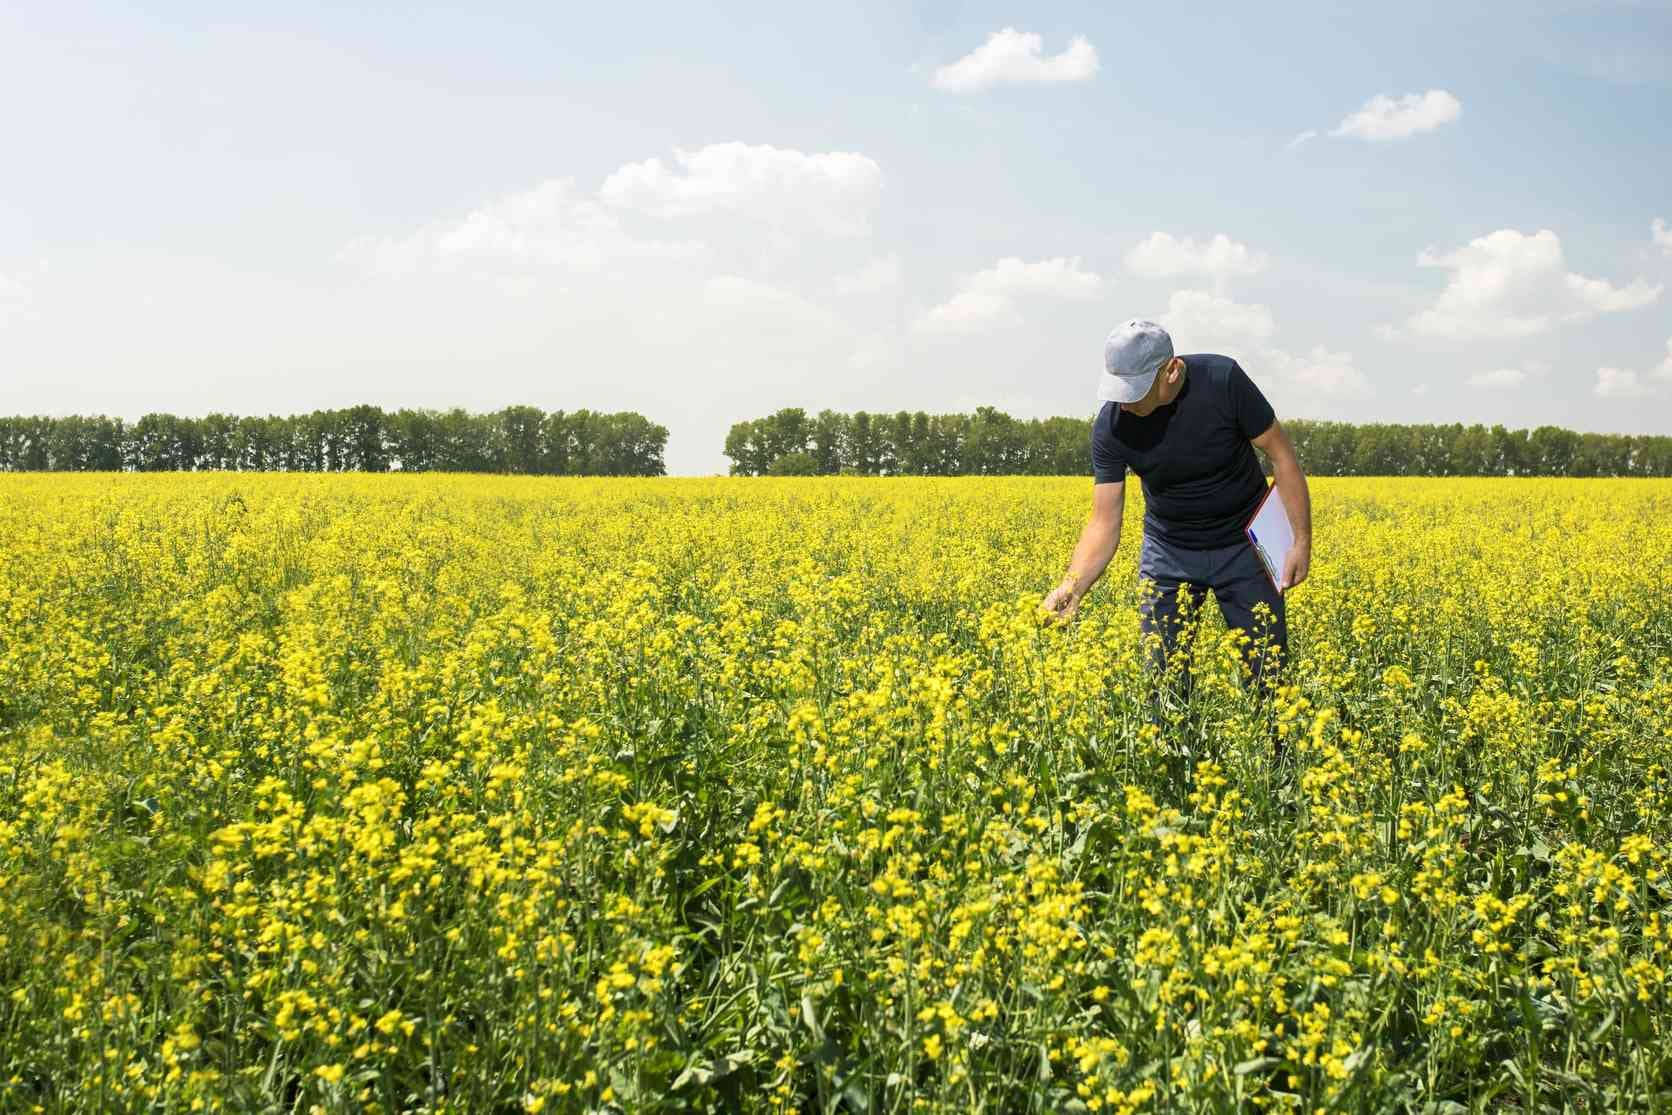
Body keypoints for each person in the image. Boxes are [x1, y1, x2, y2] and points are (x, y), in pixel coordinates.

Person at [1041, 319, 1312, 699]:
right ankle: (1171, 757)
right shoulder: (1111, 426)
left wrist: (1299, 541)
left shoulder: (1223, 380)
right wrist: (1072, 586)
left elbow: (1282, 457)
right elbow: (1104, 520)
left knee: (1268, 676)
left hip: (1245, 546)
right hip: (1168, 552)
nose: (1126, 401)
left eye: (1135, 389)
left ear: (1171, 370)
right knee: (1163, 684)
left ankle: (1277, 757)